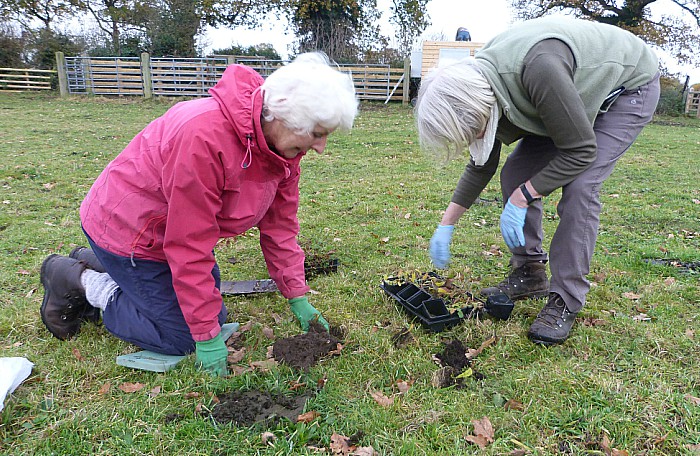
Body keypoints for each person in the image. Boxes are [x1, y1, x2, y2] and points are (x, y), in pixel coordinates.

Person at [39, 52, 358, 376]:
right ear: (284, 116)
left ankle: (103, 267)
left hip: (168, 234)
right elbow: (189, 246)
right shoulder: (203, 138)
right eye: (318, 133)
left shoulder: (282, 152)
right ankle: (78, 279)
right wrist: (204, 338)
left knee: (212, 315)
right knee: (183, 336)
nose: (321, 147)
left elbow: (280, 228)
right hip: (129, 232)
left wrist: (296, 295)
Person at [415, 17, 660, 345]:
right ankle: (529, 272)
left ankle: (566, 299)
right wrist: (446, 226)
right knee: (516, 174)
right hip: (566, 96)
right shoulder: (482, 85)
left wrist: (523, 197)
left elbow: (581, 151)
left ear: (481, 109)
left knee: (581, 186)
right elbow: (481, 163)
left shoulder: (538, 68)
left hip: (627, 88)